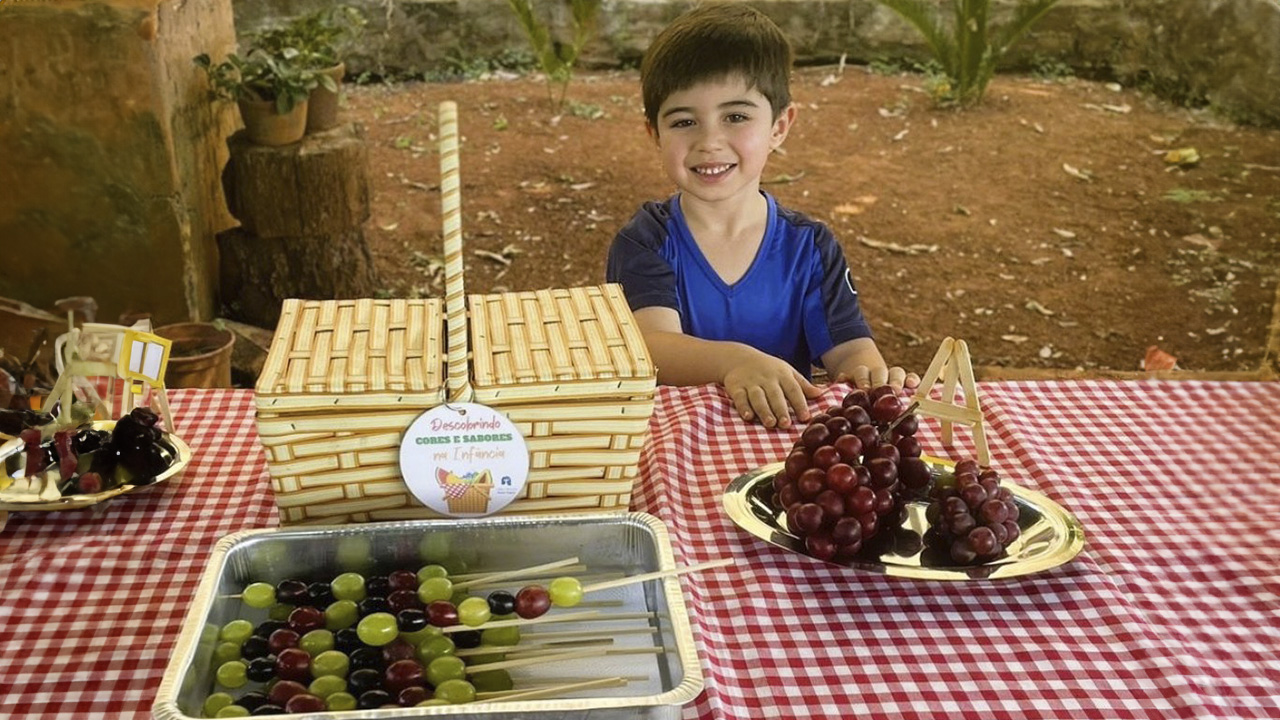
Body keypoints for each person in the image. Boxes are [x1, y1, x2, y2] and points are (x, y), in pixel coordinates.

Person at [606, 2, 919, 429]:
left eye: (735, 116)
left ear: (779, 126)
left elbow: (850, 351)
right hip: (678, 445)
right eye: (684, 122)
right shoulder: (645, 241)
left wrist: (872, 377)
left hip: (788, 449)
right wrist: (735, 361)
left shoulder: (809, 246)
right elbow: (652, 347)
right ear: (654, 133)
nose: (710, 142)